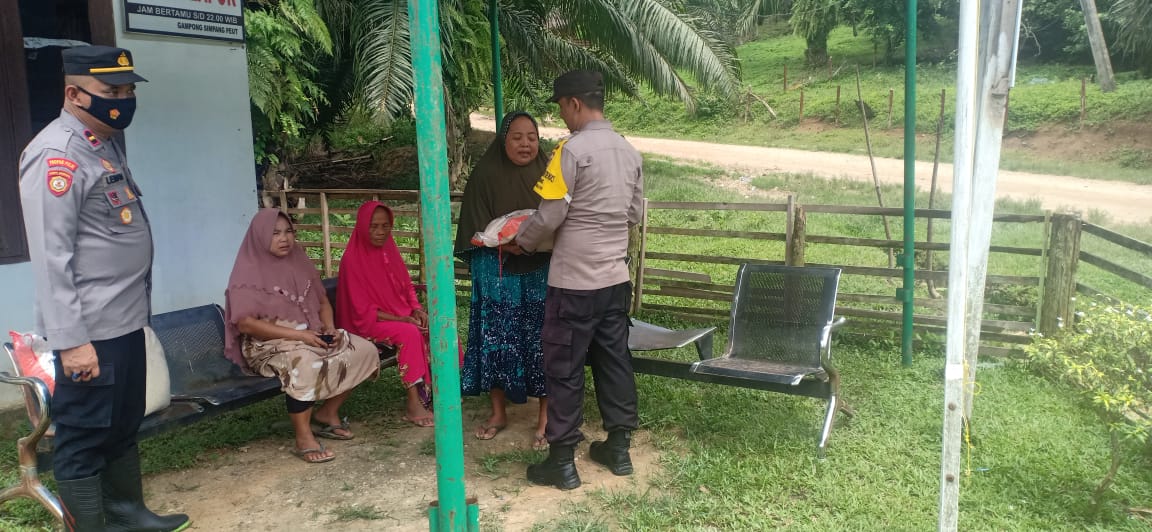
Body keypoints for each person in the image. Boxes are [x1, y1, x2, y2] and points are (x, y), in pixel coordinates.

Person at [18, 45, 191, 531]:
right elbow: (53, 260)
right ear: (73, 93)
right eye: (111, 91)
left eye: (128, 90)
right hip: (89, 331)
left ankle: (128, 515)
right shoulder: (57, 156)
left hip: (124, 320)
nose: (123, 100)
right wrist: (71, 343)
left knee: (121, 425)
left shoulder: (102, 142)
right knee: (83, 438)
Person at [508, 70, 645, 490]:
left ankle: (562, 461)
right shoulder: (629, 151)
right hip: (613, 278)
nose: (563, 118)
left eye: (562, 108)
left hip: (574, 283)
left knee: (564, 367)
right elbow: (635, 215)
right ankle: (618, 449)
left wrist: (522, 241)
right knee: (614, 359)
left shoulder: (570, 150)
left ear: (574, 103)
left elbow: (550, 214)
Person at [224, 209, 380, 464]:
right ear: (260, 236)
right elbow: (246, 324)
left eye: (288, 232)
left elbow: (322, 302)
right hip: (267, 344)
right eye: (275, 233)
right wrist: (300, 336)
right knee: (304, 362)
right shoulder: (248, 272)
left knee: (364, 351)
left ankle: (328, 414)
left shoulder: (299, 261)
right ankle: (303, 437)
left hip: (311, 334)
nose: (284, 238)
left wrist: (328, 327)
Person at [454, 111, 551, 450]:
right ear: (503, 140)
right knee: (498, 337)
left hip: (542, 271)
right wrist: (505, 243)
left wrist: (537, 242)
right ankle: (498, 412)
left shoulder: (550, 175)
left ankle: (546, 417)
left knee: (544, 339)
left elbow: (563, 219)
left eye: (532, 137)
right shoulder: (485, 175)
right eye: (517, 137)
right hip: (499, 272)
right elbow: (473, 229)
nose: (526, 143)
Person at [336, 201, 448, 427]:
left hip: (397, 316)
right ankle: (414, 403)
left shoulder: (390, 250)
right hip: (365, 324)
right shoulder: (352, 259)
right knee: (409, 333)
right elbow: (363, 311)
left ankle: (440, 391)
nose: (380, 232)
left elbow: (406, 286)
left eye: (385, 226)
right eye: (374, 226)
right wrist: (403, 319)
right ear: (362, 226)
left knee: (436, 325)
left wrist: (416, 309)